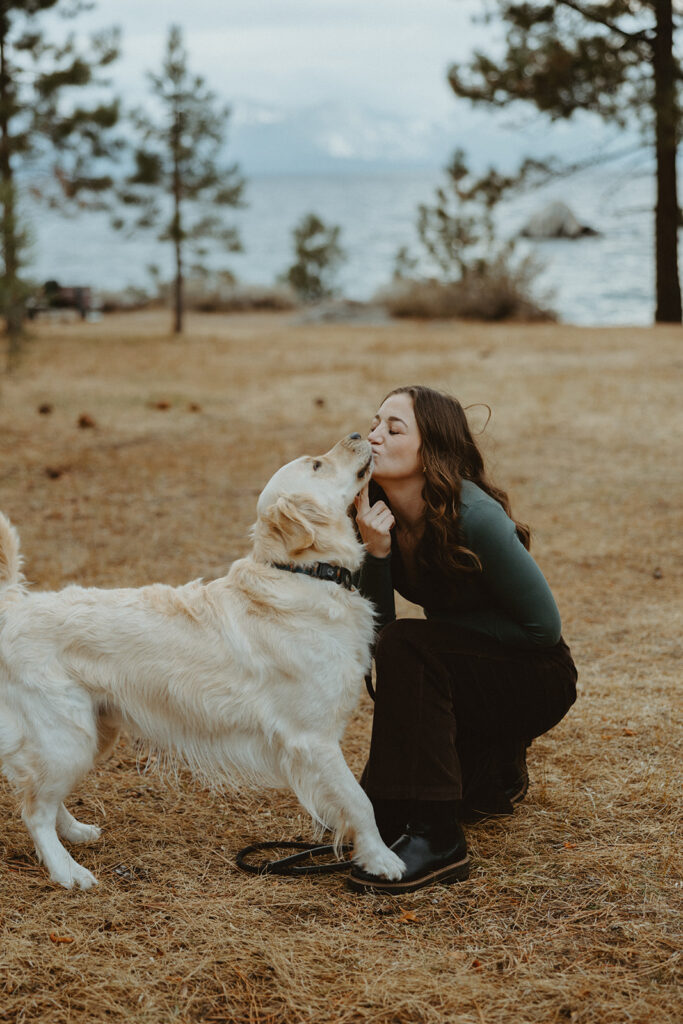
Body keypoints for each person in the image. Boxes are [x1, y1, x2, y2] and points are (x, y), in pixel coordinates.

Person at [347, 385, 578, 894]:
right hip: (465, 671)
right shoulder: (375, 514)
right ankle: (484, 774)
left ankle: (438, 840)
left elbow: (544, 628)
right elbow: (379, 637)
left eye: (393, 427)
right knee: (474, 798)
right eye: (375, 422)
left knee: (414, 643)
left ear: (431, 449)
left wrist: (439, 638)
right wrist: (377, 555)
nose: (374, 435)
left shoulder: (474, 516)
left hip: (536, 676)